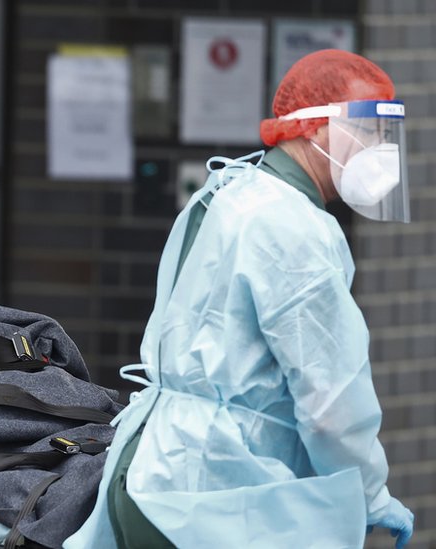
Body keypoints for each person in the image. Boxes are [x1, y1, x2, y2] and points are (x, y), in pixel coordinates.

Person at [102, 49, 413, 548]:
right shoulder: (292, 226)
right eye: (368, 130)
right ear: (312, 127)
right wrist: (370, 494)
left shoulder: (235, 193)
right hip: (213, 493)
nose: (379, 148)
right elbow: (332, 401)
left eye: (385, 133)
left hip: (163, 475)